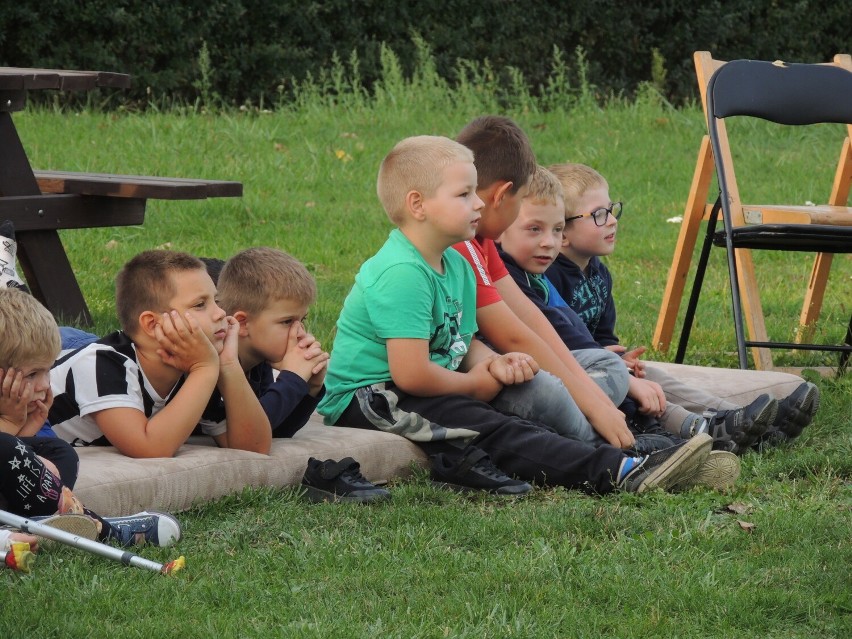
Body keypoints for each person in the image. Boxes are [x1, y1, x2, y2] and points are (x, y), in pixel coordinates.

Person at [318, 134, 713, 496]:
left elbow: (462, 338)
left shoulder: (453, 265)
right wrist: (474, 384)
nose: (478, 203)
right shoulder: (401, 273)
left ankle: (626, 454)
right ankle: (619, 468)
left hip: (420, 384)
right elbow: (410, 373)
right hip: (374, 394)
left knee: (505, 412)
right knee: (490, 427)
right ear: (418, 205)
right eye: (464, 194)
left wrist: (495, 362)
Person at [546, 162, 820, 451]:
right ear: (562, 232)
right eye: (599, 215)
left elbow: (604, 338)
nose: (613, 220)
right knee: (646, 384)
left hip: (602, 366)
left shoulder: (599, 274)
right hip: (575, 375)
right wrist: (610, 361)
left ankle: (740, 419)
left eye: (612, 209)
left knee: (650, 375)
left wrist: (622, 357)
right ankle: (715, 425)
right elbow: (557, 344)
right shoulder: (550, 277)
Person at [496, 165, 740, 488]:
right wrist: (612, 365)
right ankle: (639, 443)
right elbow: (553, 335)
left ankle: (709, 425)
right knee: (597, 378)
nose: (548, 242)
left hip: (574, 367)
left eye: (554, 230)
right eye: (534, 230)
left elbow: (582, 333)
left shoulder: (547, 276)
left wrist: (614, 361)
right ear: (499, 228)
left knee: (629, 371)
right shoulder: (518, 274)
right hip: (532, 376)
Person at [450, 116, 637, 450]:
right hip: (480, 373)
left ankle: (605, 430)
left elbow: (531, 319)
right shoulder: (462, 243)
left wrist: (593, 396)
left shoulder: (484, 241)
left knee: (609, 367)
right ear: (504, 195)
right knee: (550, 390)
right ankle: (606, 446)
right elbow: (513, 334)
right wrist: (596, 406)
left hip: (501, 365)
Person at [0, 288, 181, 550]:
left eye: (47, 370)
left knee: (60, 451)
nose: (44, 385)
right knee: (6, 447)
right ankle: (101, 528)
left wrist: (24, 431)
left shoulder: (27, 402)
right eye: (32, 375)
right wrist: (9, 427)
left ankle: (41, 523)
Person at [48, 250, 272, 458]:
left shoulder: (195, 368)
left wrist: (229, 365)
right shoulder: (101, 364)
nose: (221, 313)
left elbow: (255, 448)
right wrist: (204, 369)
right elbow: (149, 448)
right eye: (200, 304)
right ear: (152, 323)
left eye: (217, 301)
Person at [213, 248, 390, 502]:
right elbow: (252, 441)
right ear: (242, 323)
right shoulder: (221, 360)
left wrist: (309, 391)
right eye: (287, 322)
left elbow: (274, 430)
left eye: (302, 320)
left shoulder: (258, 360)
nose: (299, 332)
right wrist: (292, 378)